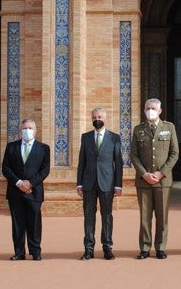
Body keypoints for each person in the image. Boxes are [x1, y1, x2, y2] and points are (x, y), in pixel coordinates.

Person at [130, 98, 179, 260]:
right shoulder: (138, 130)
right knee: (145, 217)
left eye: (153, 108)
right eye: (147, 108)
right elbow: (134, 155)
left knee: (162, 216)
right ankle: (144, 247)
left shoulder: (169, 128)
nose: (150, 110)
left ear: (160, 111)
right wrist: (144, 174)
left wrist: (161, 173)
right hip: (143, 181)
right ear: (144, 110)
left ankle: (160, 247)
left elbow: (174, 153)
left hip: (163, 181)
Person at [76, 108, 124, 260]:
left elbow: (119, 163)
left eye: (100, 117)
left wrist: (118, 184)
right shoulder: (86, 137)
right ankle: (88, 248)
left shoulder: (114, 138)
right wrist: (79, 183)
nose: (97, 119)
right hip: (89, 183)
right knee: (89, 216)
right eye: (95, 117)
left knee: (107, 216)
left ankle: (107, 247)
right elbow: (81, 162)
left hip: (107, 183)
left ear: (105, 118)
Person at [2, 119, 50, 261]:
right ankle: (19, 252)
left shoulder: (43, 148)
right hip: (15, 192)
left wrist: (30, 183)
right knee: (18, 224)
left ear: (35, 131)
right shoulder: (11, 147)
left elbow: (45, 170)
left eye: (30, 128)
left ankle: (35, 251)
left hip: (34, 192)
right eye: (24, 128)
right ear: (20, 131)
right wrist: (19, 183)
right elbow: (6, 168)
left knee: (34, 223)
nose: (27, 130)